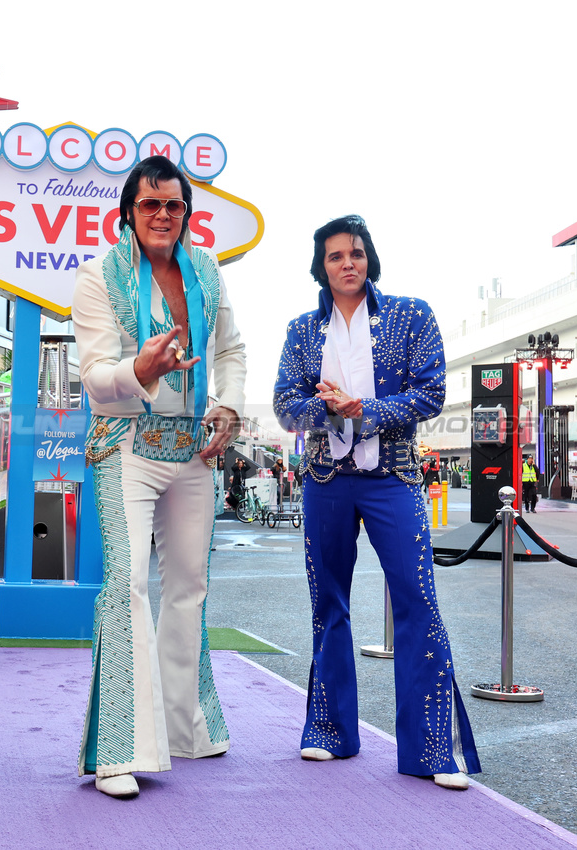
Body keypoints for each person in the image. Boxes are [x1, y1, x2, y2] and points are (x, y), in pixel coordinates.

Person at [274, 214, 479, 791]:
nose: (347, 263)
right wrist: (329, 411)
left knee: (418, 600)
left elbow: (431, 393)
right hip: (325, 477)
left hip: (393, 476)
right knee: (328, 603)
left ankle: (433, 747)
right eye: (336, 255)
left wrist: (362, 409)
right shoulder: (301, 329)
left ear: (370, 260)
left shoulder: (411, 314)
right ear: (321, 265)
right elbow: (287, 404)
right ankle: (328, 729)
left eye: (356, 253)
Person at [72, 155, 247, 798]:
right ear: (128, 210)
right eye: (150, 204)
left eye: (173, 205)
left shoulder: (205, 270)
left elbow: (229, 348)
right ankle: (119, 748)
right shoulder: (99, 277)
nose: (163, 215)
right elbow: (94, 377)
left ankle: (183, 729)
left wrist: (226, 404)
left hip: (194, 452)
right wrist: (140, 370)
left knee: (190, 587)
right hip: (126, 446)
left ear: (186, 212)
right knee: (127, 584)